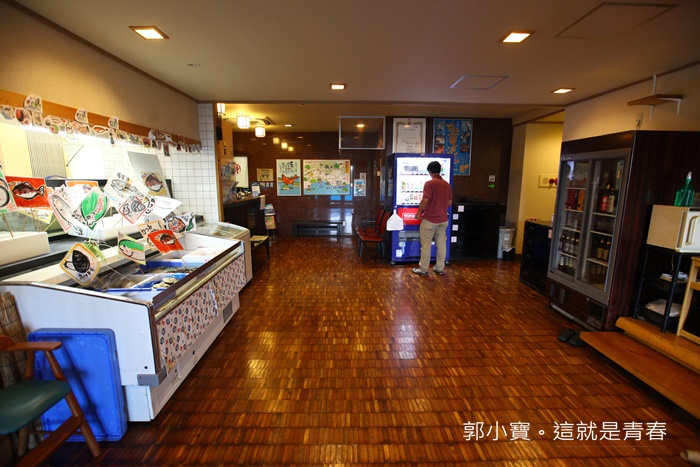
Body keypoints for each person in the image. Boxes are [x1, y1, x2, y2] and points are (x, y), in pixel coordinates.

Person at [412, 161, 452, 276]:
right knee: (441, 244)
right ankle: (440, 268)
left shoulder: (429, 184)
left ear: (430, 171)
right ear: (440, 170)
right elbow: (450, 202)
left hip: (429, 219)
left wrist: (418, 213)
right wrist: (441, 208)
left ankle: (423, 269)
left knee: (426, 245)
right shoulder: (446, 184)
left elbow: (425, 199)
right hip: (443, 219)